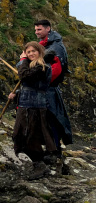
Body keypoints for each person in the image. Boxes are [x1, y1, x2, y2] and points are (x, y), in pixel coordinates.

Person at [8, 42, 57, 176]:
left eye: (33, 51)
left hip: (35, 107)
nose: (30, 54)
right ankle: (31, 164)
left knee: (32, 136)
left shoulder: (43, 67)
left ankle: (39, 166)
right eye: (28, 52)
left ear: (40, 51)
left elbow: (24, 75)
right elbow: (28, 83)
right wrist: (16, 94)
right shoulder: (33, 67)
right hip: (25, 105)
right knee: (18, 134)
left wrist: (22, 60)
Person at [34, 19, 73, 159]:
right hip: (41, 89)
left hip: (49, 90)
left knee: (52, 120)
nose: (36, 32)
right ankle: (49, 149)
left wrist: (40, 81)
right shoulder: (42, 45)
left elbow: (56, 70)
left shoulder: (56, 47)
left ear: (48, 29)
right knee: (42, 120)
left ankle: (55, 151)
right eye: (35, 30)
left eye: (39, 30)